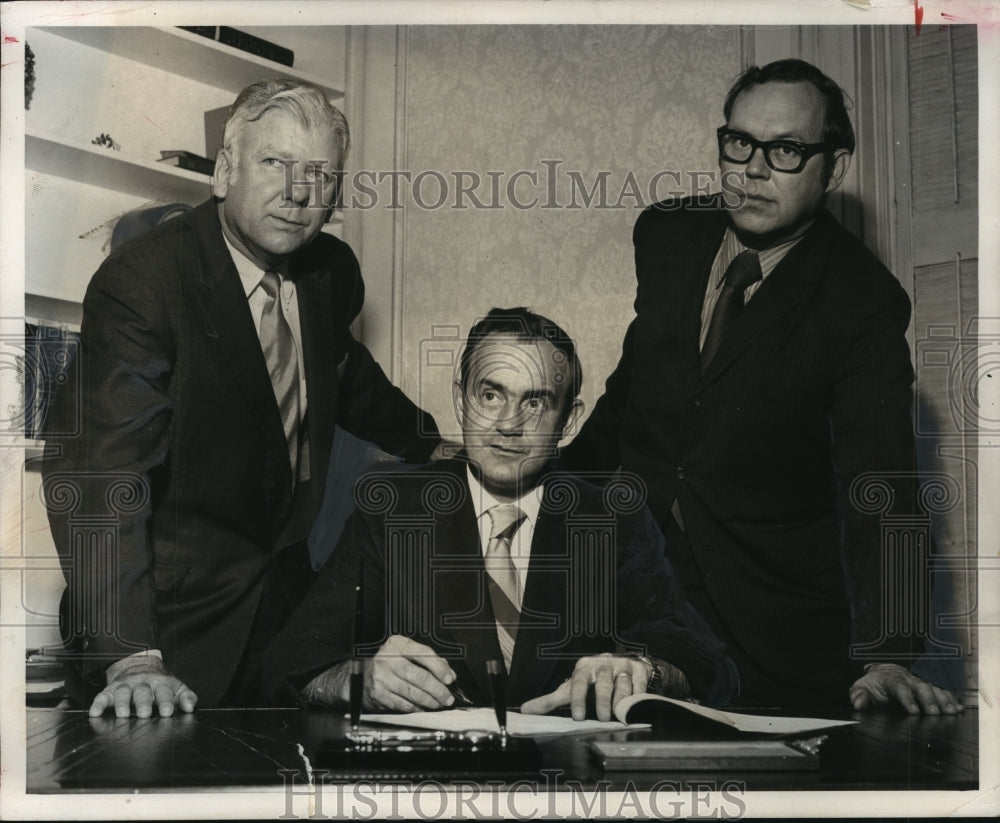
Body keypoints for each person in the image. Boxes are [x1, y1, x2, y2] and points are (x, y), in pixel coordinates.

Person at [561, 59, 961, 713]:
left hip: (774, 633)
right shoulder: (667, 235)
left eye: (785, 150)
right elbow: (632, 400)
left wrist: (889, 650)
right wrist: (533, 488)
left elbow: (884, 485)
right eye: (739, 142)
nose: (751, 168)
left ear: (832, 167)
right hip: (633, 604)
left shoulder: (861, 300)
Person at [41, 79, 440, 718]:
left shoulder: (330, 272)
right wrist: (131, 656)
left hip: (278, 625)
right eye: (275, 163)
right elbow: (100, 476)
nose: (298, 192)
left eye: (319, 173)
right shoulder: (144, 281)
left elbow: (345, 375)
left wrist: (438, 444)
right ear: (225, 170)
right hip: (164, 636)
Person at [263, 308, 738, 718]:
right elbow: (289, 663)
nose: (509, 425)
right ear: (460, 400)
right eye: (491, 396)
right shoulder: (392, 510)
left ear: (569, 421)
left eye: (535, 402)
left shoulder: (612, 518)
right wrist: (358, 681)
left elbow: (710, 664)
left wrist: (643, 671)